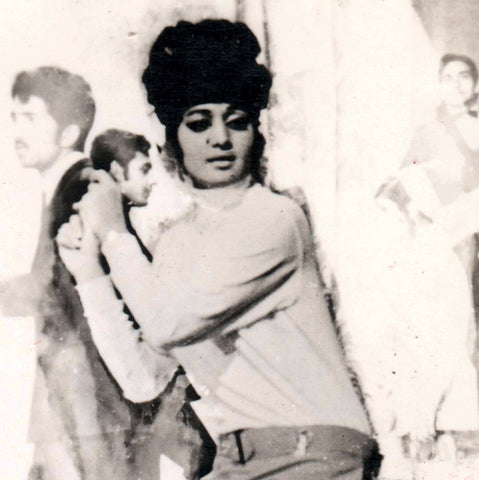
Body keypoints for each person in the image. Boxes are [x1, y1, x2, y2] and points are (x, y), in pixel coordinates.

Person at [58, 20, 374, 480]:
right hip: (239, 460)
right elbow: (143, 379)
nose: (220, 139)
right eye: (199, 123)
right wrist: (90, 273)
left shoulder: (273, 218)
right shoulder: (178, 241)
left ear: (255, 134)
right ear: (173, 137)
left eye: (237, 122)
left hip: (313, 455)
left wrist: (113, 233)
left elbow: (167, 323)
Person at [0, 66, 151, 480]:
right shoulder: (64, 187)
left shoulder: (81, 187)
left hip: (93, 396)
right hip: (74, 392)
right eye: (14, 117)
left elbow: (47, 290)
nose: (17, 131)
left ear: (68, 132)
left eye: (31, 118)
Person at [373, 53, 479, 475]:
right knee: (450, 325)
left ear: (475, 84)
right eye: (447, 78)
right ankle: (440, 426)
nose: (456, 85)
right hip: (448, 241)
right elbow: (402, 184)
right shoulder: (427, 134)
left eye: (464, 77)